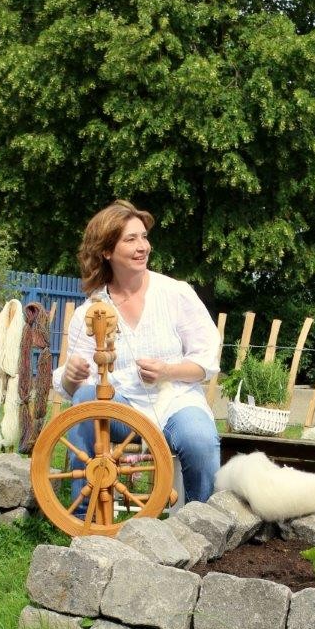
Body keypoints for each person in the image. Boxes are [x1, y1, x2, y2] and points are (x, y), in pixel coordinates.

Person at [52, 199, 221, 510]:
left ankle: (203, 523)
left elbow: (206, 361)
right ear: (106, 251)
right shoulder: (93, 311)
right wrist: (71, 376)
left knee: (199, 438)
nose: (143, 246)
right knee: (85, 399)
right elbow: (73, 385)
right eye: (131, 239)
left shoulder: (175, 293)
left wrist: (167, 371)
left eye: (144, 237)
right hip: (122, 410)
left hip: (175, 402)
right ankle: (83, 517)